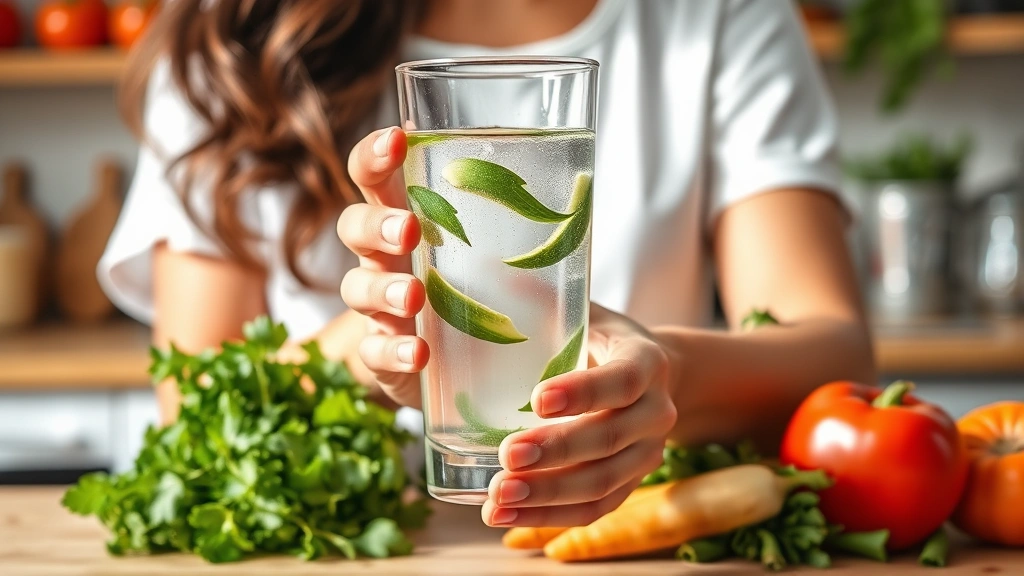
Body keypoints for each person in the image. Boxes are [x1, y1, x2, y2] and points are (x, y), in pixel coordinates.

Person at [99, 0, 875, 529]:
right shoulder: (232, 30)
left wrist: (659, 373)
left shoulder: (717, 15)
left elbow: (834, 355)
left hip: (621, 548)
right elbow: (190, 415)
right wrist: (374, 353)